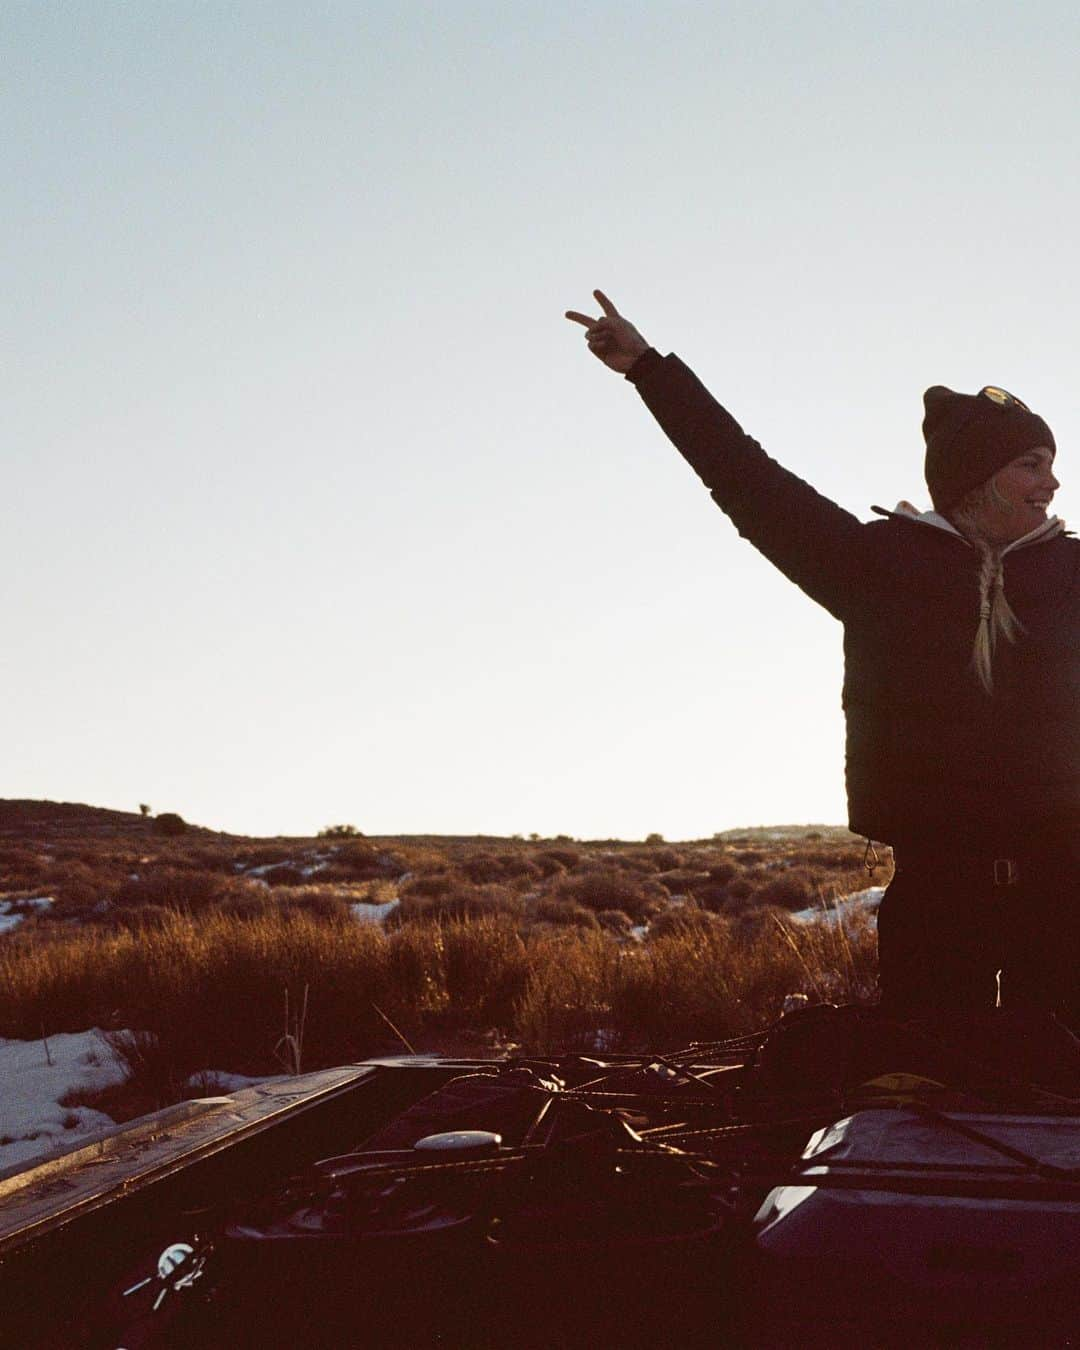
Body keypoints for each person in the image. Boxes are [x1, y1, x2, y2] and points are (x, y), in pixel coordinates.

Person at [566, 289, 1080, 1023]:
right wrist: (650, 370)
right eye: (1033, 463)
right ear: (978, 474)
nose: (1053, 482)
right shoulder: (878, 568)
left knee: (1062, 1103)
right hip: (936, 890)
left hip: (1067, 891)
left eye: (1052, 464)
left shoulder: (1074, 574)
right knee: (927, 1091)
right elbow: (748, 481)